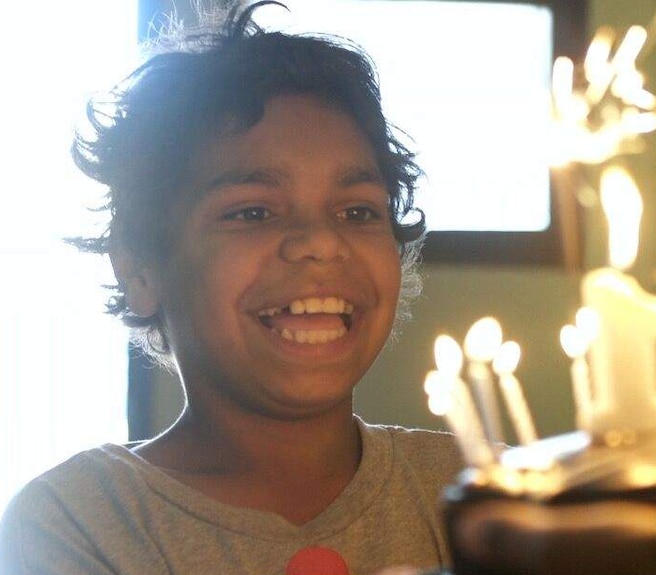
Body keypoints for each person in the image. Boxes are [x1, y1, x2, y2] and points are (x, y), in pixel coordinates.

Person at [0, 2, 463, 573]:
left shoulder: (490, 494)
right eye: (252, 212)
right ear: (138, 268)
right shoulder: (82, 519)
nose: (320, 242)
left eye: (356, 211)